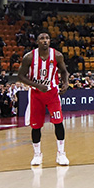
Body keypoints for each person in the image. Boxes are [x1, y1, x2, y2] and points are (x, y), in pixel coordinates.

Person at [17, 32, 70, 167]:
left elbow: (64, 71)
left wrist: (65, 83)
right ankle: (37, 154)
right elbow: (21, 76)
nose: (45, 41)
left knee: (58, 122)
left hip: (52, 93)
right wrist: (37, 85)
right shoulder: (29, 57)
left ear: (50, 41)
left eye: (47, 38)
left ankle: (61, 153)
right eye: (42, 38)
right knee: (36, 125)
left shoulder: (57, 55)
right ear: (37, 42)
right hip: (36, 93)